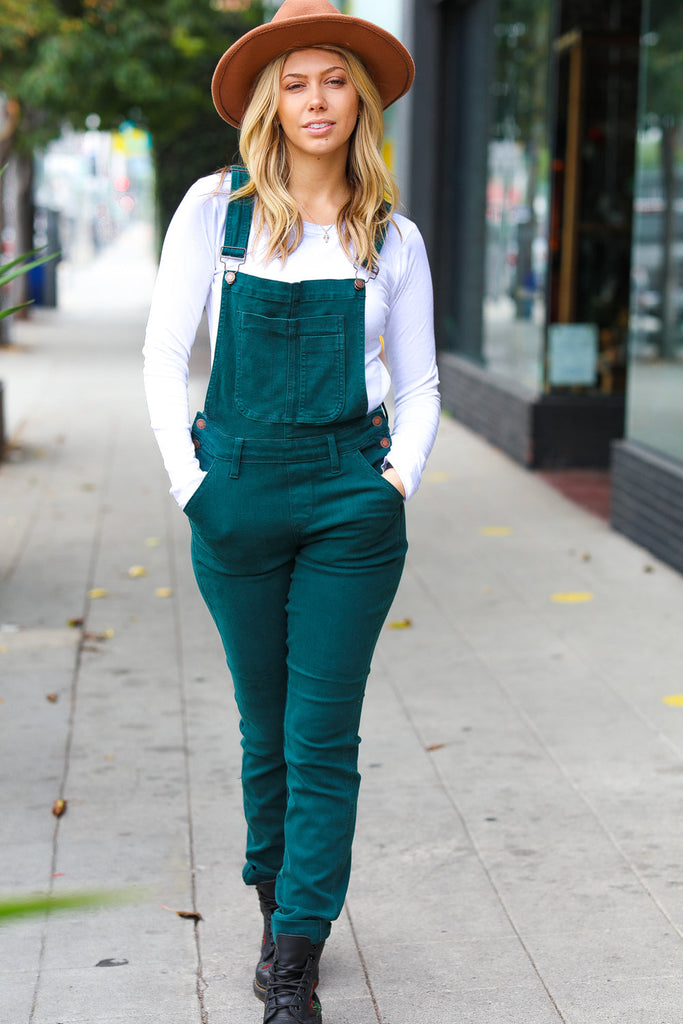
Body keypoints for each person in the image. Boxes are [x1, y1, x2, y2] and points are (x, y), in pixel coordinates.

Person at [143, 1, 440, 1021]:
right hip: (234, 492)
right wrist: (192, 486)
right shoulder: (213, 212)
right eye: (297, 81)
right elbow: (160, 354)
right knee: (261, 723)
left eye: (334, 79)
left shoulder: (387, 235)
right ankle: (275, 902)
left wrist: (392, 481)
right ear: (273, 100)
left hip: (348, 506)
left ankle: (296, 953)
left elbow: (420, 384)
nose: (316, 100)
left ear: (359, 98)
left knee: (322, 734)